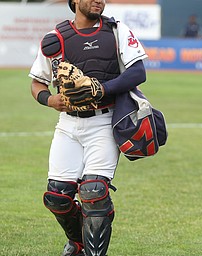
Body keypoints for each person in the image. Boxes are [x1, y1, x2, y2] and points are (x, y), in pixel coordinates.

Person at [29, 0, 148, 255]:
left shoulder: (117, 31)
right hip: (68, 124)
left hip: (104, 122)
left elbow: (138, 73)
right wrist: (50, 99)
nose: (99, 0)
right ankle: (78, 242)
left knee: (94, 192)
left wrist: (102, 88)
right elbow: (38, 83)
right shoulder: (56, 38)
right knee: (57, 196)